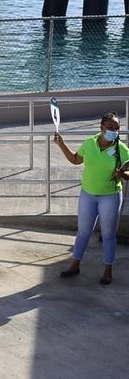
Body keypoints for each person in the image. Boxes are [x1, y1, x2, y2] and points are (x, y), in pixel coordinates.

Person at [54, 112, 129, 285]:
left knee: (108, 234)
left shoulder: (121, 149)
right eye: (110, 127)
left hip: (110, 196)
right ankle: (74, 265)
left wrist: (123, 174)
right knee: (83, 232)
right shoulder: (90, 143)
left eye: (116, 128)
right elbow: (74, 159)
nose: (114, 131)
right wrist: (61, 144)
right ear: (101, 127)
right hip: (88, 194)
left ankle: (108, 270)